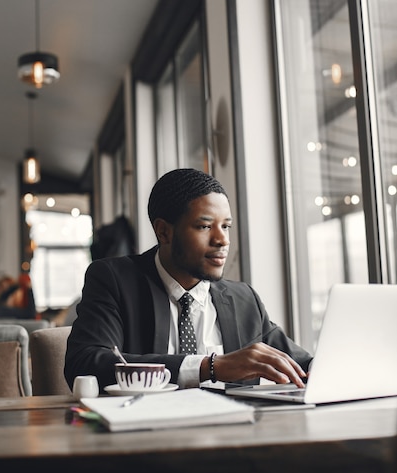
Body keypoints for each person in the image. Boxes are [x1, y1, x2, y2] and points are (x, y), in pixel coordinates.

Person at [64, 168, 312, 392]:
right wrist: (210, 367)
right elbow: (85, 363)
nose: (222, 240)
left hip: (234, 435)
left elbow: (302, 365)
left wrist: (327, 369)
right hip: (145, 434)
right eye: (205, 227)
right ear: (164, 231)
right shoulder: (115, 280)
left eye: (226, 226)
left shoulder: (244, 299)